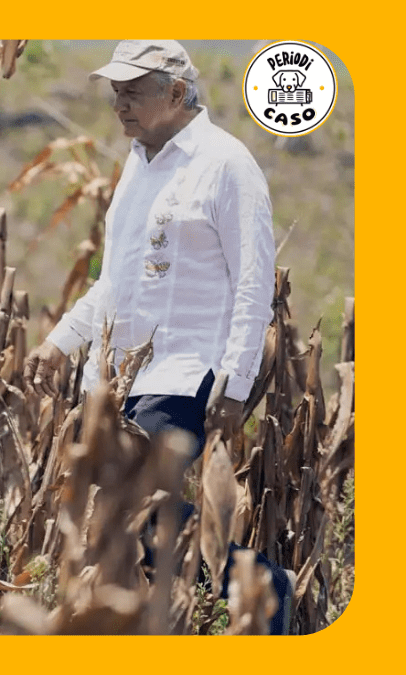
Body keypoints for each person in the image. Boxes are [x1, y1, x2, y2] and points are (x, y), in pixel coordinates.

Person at [22, 40, 294, 634]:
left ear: (176, 92)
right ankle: (234, 595)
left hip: (186, 373)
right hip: (118, 379)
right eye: (115, 91)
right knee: (116, 513)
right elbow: (113, 283)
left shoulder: (226, 164)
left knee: (134, 507)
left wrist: (236, 382)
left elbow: (253, 284)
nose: (119, 103)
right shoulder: (136, 167)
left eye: (133, 91)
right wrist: (60, 342)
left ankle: (265, 589)